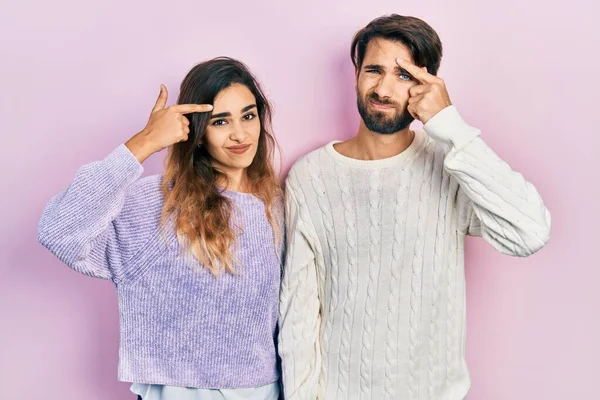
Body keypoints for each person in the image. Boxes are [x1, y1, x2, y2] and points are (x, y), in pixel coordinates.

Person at [278, 14, 551, 400]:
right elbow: (300, 312)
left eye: (403, 75)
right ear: (356, 75)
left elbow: (530, 232)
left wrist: (450, 124)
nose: (384, 88)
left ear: (427, 86)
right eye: (374, 70)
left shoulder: (451, 163)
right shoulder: (311, 177)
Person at [38, 57, 283, 400]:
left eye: (248, 115)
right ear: (197, 134)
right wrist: (145, 142)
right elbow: (58, 230)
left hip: (265, 390)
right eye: (220, 121)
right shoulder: (162, 204)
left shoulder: (277, 206)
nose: (239, 134)